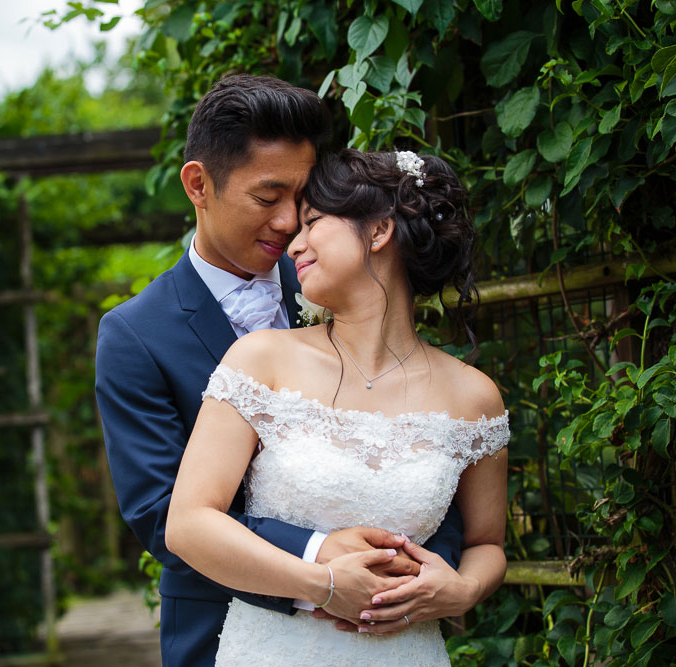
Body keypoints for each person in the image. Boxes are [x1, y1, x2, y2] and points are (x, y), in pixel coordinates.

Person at [95, 74, 473, 667]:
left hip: (386, 636)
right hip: (223, 634)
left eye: (302, 199)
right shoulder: (136, 335)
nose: (289, 222)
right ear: (199, 184)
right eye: (268, 198)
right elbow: (162, 514)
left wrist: (410, 570)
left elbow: (421, 445)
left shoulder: (345, 280)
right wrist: (320, 558)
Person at [165, 148, 510, 665]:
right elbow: (188, 525)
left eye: (313, 223)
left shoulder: (473, 396)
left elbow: (486, 543)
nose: (294, 244)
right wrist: (322, 584)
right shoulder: (262, 360)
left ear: (377, 232)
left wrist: (463, 590)